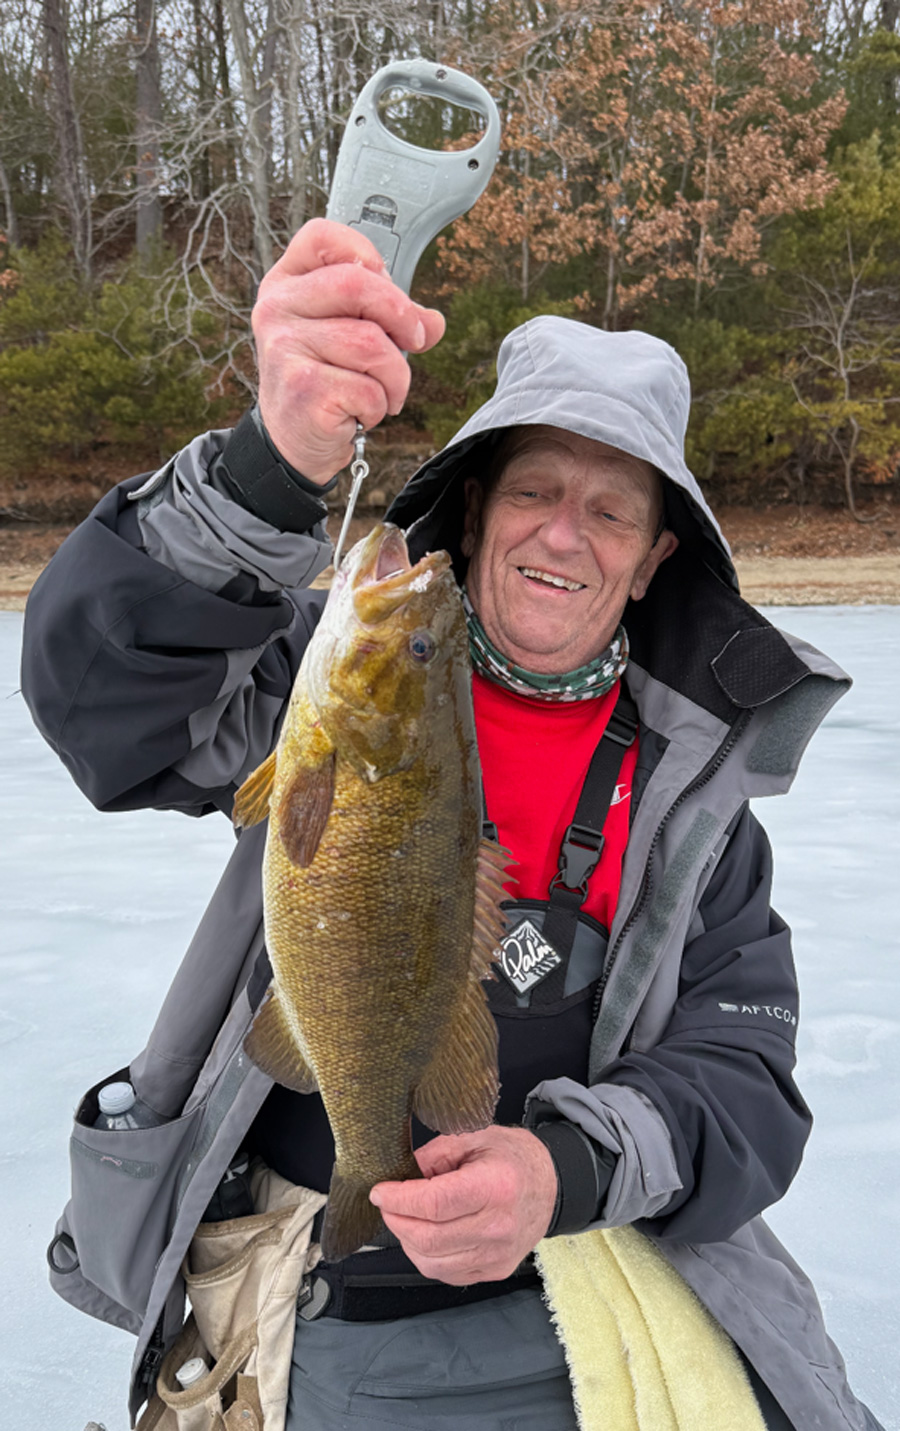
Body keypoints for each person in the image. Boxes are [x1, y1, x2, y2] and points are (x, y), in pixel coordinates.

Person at [22, 219, 885, 1431]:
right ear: (475, 510)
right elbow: (105, 700)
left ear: (652, 561)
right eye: (534, 489)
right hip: (312, 1302)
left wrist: (562, 1172)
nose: (564, 534)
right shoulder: (307, 700)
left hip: (580, 1280)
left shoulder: (699, 807)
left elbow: (745, 1085)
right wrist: (270, 465)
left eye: (611, 512)